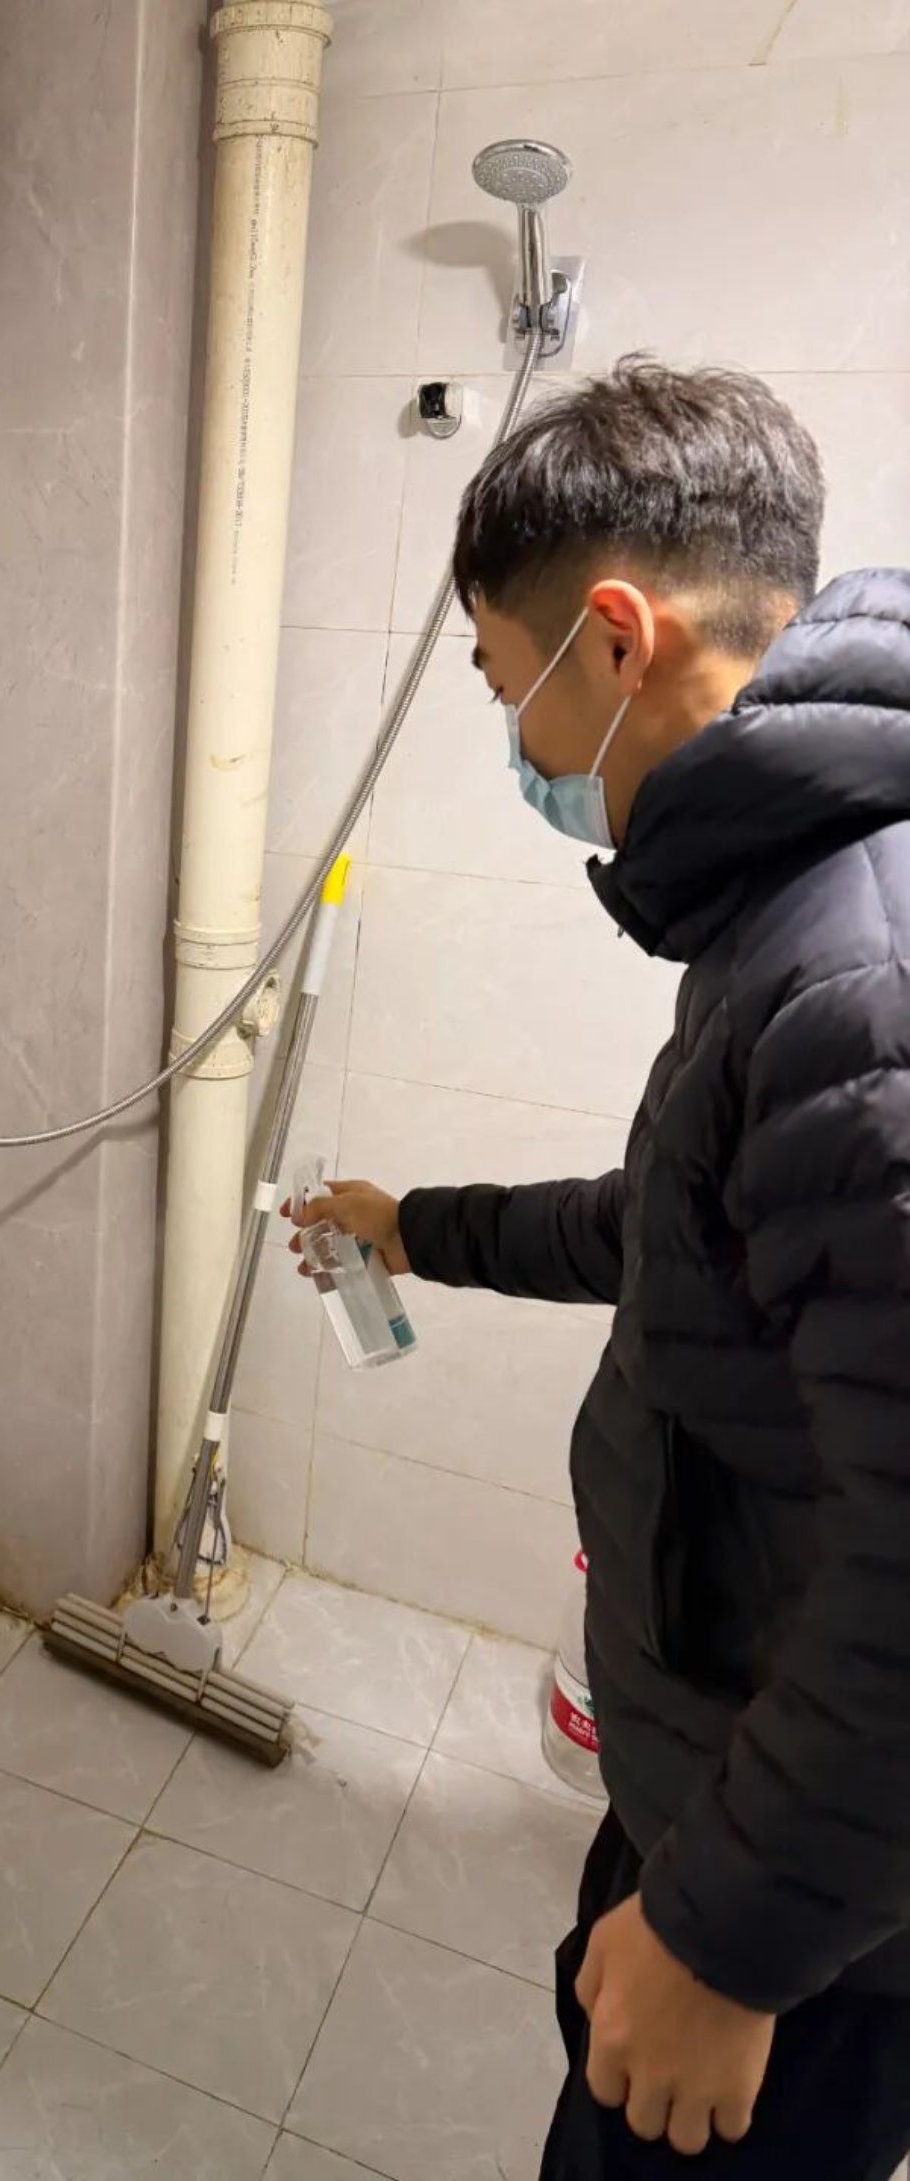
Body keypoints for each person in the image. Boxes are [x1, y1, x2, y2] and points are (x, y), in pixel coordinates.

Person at [290, 358, 910, 2179]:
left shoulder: (857, 976)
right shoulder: (801, 899)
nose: (524, 750)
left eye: (511, 688)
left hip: (818, 1904)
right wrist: (416, 1225)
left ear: (617, 640)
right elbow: (672, 1225)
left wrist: (726, 1939)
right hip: (729, 1765)